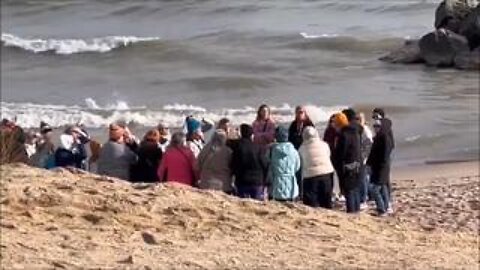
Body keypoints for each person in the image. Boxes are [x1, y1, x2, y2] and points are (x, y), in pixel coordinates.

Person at [332, 112, 363, 213]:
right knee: (355, 189)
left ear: (339, 124)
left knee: (349, 191)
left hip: (348, 166)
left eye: (335, 123)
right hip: (358, 164)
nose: (334, 126)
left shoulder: (344, 135)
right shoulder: (355, 131)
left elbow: (341, 154)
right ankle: (356, 210)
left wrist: (335, 162)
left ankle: (352, 212)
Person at [299, 127, 335, 209]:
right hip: (327, 173)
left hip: (310, 176)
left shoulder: (302, 148)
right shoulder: (324, 144)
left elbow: (301, 163)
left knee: (311, 204)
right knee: (326, 201)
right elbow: (328, 155)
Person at [230, 124, 269, 200]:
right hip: (257, 182)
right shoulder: (259, 148)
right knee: (257, 207)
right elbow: (265, 165)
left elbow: (233, 165)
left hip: (242, 181)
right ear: (252, 135)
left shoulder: (236, 147)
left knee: (243, 207)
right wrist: (266, 181)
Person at [367, 120, 394, 216]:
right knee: (382, 188)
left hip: (381, 167)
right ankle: (386, 207)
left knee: (375, 189)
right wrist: (369, 164)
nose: (375, 128)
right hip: (377, 167)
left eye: (377, 126)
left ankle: (381, 209)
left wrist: (376, 165)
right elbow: (372, 153)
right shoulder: (378, 137)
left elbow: (384, 156)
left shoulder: (385, 138)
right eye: (374, 126)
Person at [268, 126, 301, 202]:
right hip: (292, 184)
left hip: (277, 184)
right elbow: (297, 166)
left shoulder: (272, 151)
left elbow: (270, 167)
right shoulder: (294, 151)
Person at [356, 112, 373, 209]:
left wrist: (363, 157)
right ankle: (368, 197)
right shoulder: (359, 130)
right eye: (356, 119)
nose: (357, 121)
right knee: (365, 179)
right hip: (361, 157)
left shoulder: (365, 131)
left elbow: (369, 146)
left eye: (359, 119)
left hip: (365, 158)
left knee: (364, 179)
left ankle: (363, 199)